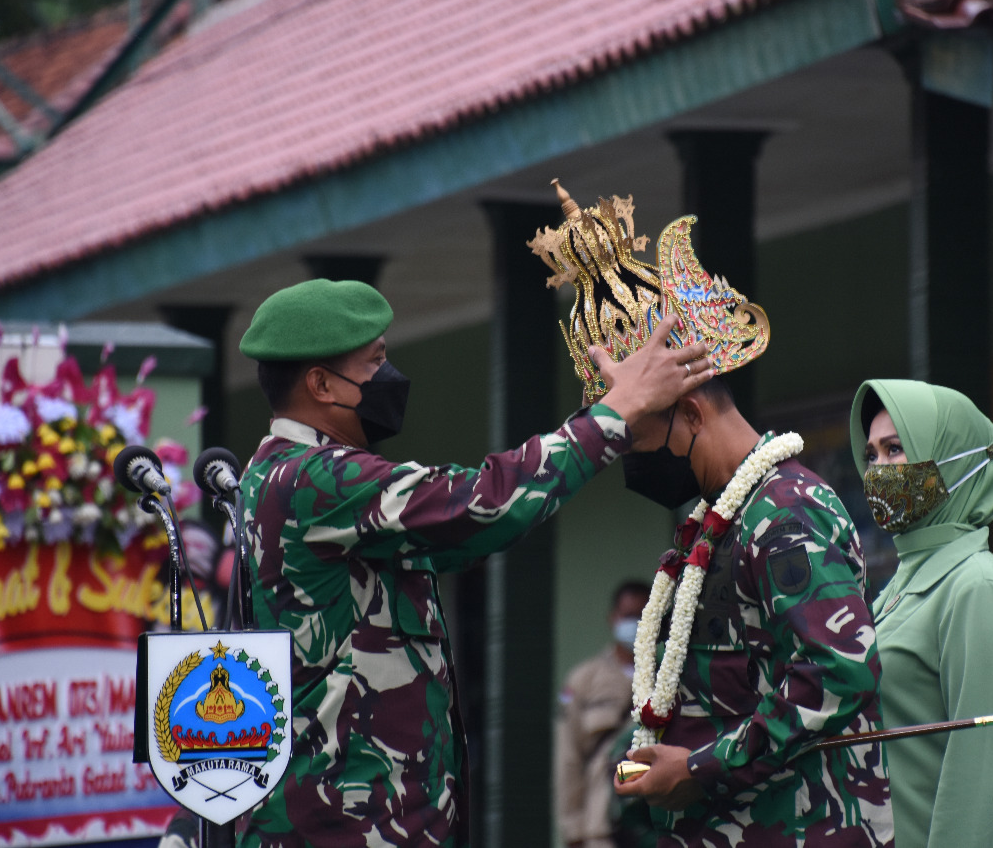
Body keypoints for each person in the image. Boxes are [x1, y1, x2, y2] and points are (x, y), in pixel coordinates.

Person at [234, 277, 712, 848]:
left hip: (365, 816)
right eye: (374, 361)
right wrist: (618, 412)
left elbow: (463, 539)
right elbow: (484, 506)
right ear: (320, 383)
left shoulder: (283, 478)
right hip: (346, 824)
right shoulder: (312, 479)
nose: (389, 377)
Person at [529, 182, 893, 847]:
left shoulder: (785, 513)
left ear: (691, 411)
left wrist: (700, 767)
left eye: (634, 436)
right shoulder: (718, 519)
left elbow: (839, 672)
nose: (623, 456)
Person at [849, 379, 993, 848]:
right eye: (871, 455)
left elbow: (974, 770)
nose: (879, 470)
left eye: (896, 449)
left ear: (953, 458)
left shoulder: (978, 588)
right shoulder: (900, 586)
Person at [554, 580, 651, 848]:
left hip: (655, 826)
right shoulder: (584, 680)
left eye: (643, 615)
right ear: (613, 618)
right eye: (629, 616)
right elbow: (569, 759)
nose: (636, 624)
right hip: (601, 828)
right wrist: (573, 830)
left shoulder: (670, 677)